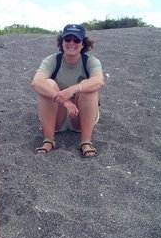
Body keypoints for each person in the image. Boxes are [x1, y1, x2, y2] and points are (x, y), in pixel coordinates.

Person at [31, 24, 105, 157]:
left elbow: (99, 82)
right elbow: (36, 82)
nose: (72, 43)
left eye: (76, 40)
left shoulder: (90, 61)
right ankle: (48, 139)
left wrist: (74, 89)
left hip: (81, 117)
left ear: (83, 44)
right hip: (56, 116)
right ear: (62, 42)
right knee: (48, 84)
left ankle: (86, 141)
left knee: (87, 86)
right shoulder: (53, 60)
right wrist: (65, 101)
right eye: (68, 39)